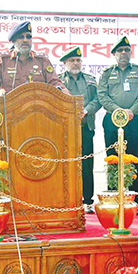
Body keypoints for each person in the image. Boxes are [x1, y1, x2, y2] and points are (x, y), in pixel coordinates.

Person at [97, 36, 138, 216]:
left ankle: (137, 200)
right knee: (112, 157)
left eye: (127, 50)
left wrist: (131, 111)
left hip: (134, 120)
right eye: (120, 51)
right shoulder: (106, 73)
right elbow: (102, 95)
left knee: (134, 157)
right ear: (114, 54)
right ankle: (113, 196)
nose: (123, 53)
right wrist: (118, 111)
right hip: (112, 119)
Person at [58, 46, 101, 214]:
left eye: (78, 60)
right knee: (65, 165)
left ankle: (88, 201)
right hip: (65, 130)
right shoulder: (58, 81)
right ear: (64, 63)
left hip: (86, 127)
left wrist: (86, 110)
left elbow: (98, 99)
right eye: (72, 61)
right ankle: (65, 200)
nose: (75, 63)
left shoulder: (90, 80)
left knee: (86, 164)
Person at [0, 21, 69, 101]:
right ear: (13, 41)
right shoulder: (2, 60)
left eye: (28, 37)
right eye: (21, 37)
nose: (25, 40)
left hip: (38, 110)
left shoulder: (42, 61)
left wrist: (68, 96)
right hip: (10, 109)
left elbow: (55, 83)